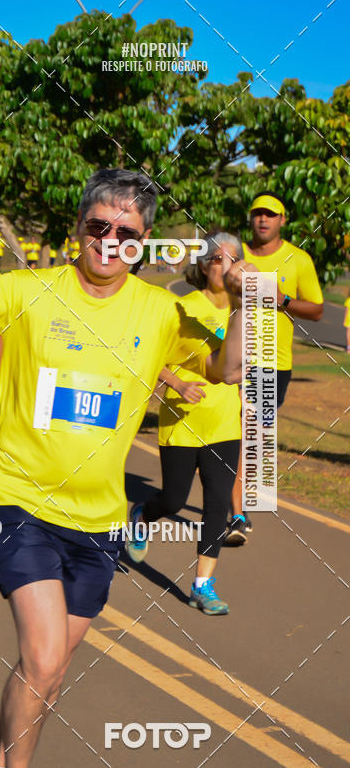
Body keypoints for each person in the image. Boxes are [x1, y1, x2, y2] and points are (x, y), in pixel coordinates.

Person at [0, 168, 251, 768]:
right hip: (19, 501)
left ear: (143, 241)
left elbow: (231, 370)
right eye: (97, 226)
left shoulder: (161, 313)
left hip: (100, 519)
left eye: (125, 233)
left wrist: (247, 305)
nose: (109, 240)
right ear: (78, 227)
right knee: (41, 658)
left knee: (49, 672)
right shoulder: (26, 289)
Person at [126, 233, 244, 615]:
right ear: (205, 266)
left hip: (225, 424)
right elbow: (150, 356)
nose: (224, 266)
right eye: (216, 259)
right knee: (174, 499)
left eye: (233, 259)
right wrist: (176, 382)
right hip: (181, 420)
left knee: (215, 507)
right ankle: (143, 515)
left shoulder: (246, 312)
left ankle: (202, 585)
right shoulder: (182, 307)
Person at [226, 191, 324, 543]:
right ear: (250, 219)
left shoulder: (298, 260)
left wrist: (281, 299)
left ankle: (235, 504)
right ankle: (235, 514)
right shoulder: (234, 254)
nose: (263, 220)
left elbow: (316, 310)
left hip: (274, 363)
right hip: (235, 358)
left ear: (283, 220)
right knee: (239, 432)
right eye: (257, 214)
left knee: (252, 440)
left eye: (271, 214)